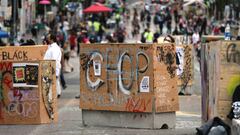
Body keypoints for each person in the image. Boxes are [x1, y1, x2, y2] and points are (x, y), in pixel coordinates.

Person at [44, 33, 62, 98]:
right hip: (50, 67)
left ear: (51, 39)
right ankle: (57, 93)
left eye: (48, 38)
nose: (47, 39)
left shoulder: (54, 48)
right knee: (55, 81)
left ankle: (56, 94)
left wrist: (54, 70)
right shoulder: (51, 47)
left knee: (53, 82)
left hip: (52, 67)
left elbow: (54, 60)